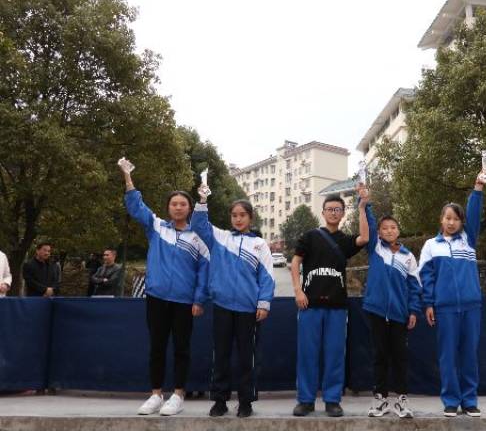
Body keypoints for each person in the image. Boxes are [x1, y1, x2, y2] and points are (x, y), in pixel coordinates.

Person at [119, 158, 209, 417]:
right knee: (157, 347)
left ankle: (178, 395)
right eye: (174, 204)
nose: (178, 207)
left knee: (182, 348)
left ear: (190, 208)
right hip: (156, 297)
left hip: (184, 301)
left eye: (183, 204)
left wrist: (199, 299)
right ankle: (156, 394)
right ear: (168, 208)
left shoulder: (198, 238)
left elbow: (204, 272)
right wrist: (127, 176)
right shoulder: (157, 227)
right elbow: (136, 206)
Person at [192, 185, 275, 418]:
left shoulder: (260, 245)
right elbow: (198, 225)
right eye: (234, 215)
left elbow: (267, 277)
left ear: (250, 217)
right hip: (222, 306)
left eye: (243, 215)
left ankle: (246, 402)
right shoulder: (220, 237)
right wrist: (202, 199)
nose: (238, 219)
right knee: (221, 355)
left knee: (246, 358)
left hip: (249, 310)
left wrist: (263, 303)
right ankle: (219, 400)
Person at [291, 186, 369, 418]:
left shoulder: (344, 241)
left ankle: (332, 400)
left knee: (335, 354)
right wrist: (298, 291)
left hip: (337, 306)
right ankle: (305, 400)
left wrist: (363, 207)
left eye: (338, 209)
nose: (334, 213)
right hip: (310, 305)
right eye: (330, 209)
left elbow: (364, 237)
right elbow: (295, 263)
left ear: (343, 213)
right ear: (323, 212)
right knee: (307, 354)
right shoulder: (310, 236)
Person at [418, 170, 486, 418]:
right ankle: (450, 400)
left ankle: (469, 401)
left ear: (461, 222)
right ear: (441, 220)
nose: (451, 222)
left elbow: (475, 214)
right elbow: (425, 278)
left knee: (469, 355)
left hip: (471, 307)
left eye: (456, 219)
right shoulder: (430, 246)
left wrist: (477, 189)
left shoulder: (468, 241)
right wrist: (428, 304)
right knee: (447, 356)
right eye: (447, 218)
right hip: (444, 308)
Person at [362, 209, 421, 418]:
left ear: (399, 230)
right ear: (379, 232)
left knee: (400, 357)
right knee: (379, 356)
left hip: (399, 315)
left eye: (393, 227)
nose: (389, 230)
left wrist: (413, 311)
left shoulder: (408, 257)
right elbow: (367, 226)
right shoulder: (375, 248)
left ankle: (401, 400)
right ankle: (380, 399)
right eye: (384, 228)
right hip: (375, 312)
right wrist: (366, 205)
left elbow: (415, 287)